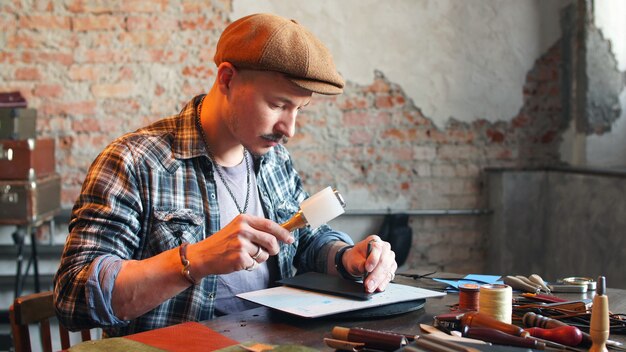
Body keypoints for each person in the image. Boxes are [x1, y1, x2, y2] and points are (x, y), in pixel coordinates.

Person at [53, 13, 398, 337]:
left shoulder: (274, 158)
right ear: (227, 78)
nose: (288, 129)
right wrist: (196, 260)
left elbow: (304, 240)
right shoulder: (132, 162)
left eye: (298, 110)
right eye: (277, 105)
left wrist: (346, 257)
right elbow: (74, 298)